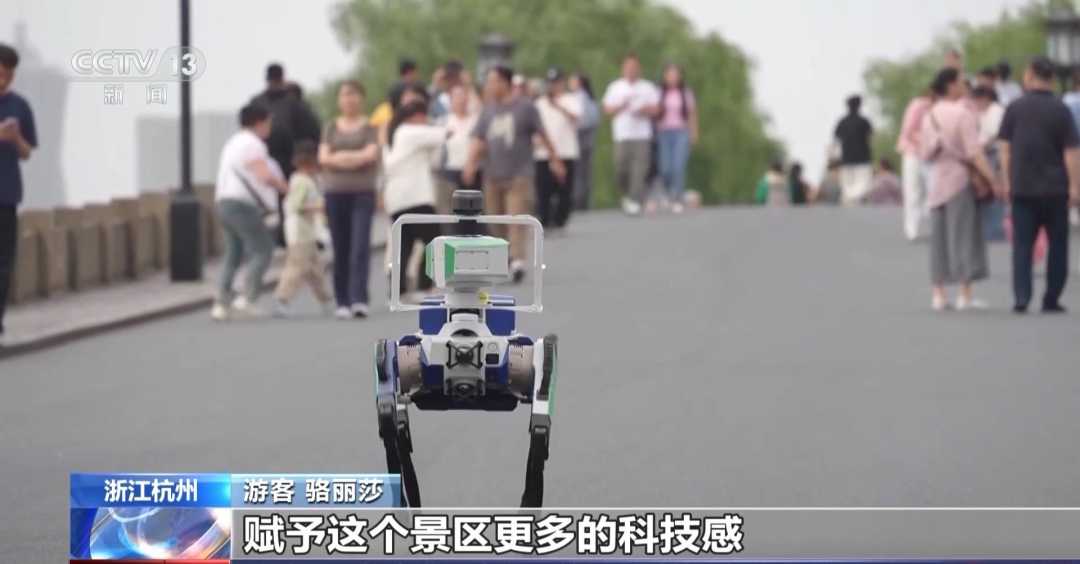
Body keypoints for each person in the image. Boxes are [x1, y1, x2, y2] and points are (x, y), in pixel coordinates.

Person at [463, 65, 565, 283]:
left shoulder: (525, 108)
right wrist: (470, 164)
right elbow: (479, 139)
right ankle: (507, 255)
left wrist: (555, 160)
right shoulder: (487, 110)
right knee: (495, 220)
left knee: (515, 217)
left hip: (519, 174)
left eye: (493, 82)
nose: (489, 86)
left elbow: (543, 134)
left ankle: (518, 259)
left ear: (504, 83)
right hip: (492, 175)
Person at [997, 56, 1080, 314]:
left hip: (1023, 186)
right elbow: (1071, 152)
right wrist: (1075, 186)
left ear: (1030, 75)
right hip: (1056, 188)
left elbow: (1005, 149)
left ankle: (1022, 296)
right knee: (1058, 245)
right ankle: (1051, 298)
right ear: (1052, 78)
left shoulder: (1014, 108)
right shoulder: (1061, 109)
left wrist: (1007, 181)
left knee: (1022, 245)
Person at [918, 67, 997, 312]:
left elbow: (924, 153)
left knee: (939, 239)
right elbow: (974, 152)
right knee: (964, 236)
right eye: (961, 82)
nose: (965, 86)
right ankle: (965, 294)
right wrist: (992, 179)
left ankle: (939, 294)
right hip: (960, 180)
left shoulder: (929, 115)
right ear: (951, 85)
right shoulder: (963, 114)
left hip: (937, 181)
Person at [212, 103, 288, 320]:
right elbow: (264, 175)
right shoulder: (253, 144)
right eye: (268, 122)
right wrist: (285, 188)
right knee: (263, 249)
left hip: (223, 201)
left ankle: (221, 303)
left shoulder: (233, 142)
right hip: (242, 204)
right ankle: (247, 298)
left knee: (233, 253)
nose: (270, 127)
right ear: (259, 122)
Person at [318, 80, 380, 319]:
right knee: (340, 247)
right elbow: (324, 158)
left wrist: (340, 158)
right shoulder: (331, 127)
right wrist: (354, 158)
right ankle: (342, 300)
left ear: (361, 98)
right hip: (335, 193)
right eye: (345, 95)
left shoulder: (369, 127)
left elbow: (370, 155)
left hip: (362, 192)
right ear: (339, 100)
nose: (349, 99)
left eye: (353, 94)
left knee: (359, 246)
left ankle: (359, 299)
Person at [250, 63, 322, 244]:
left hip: (276, 160)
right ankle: (283, 237)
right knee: (286, 201)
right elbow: (313, 130)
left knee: (278, 201)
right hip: (280, 160)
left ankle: (279, 237)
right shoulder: (294, 104)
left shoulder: (258, 102)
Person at [382, 100, 446, 297]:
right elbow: (443, 134)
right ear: (417, 116)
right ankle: (423, 286)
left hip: (396, 199)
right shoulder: (410, 131)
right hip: (416, 197)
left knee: (404, 245)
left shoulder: (393, 135)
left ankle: (398, 289)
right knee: (433, 241)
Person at [0, 43, 37, 344]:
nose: (4, 79)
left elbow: (27, 152)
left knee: (3, 266)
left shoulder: (20, 106)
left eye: (9, 74)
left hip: (7, 196)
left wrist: (15, 139)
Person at [272, 140, 332, 317]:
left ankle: (326, 299)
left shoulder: (302, 180)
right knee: (297, 266)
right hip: (300, 232)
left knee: (315, 269)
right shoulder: (302, 182)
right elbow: (296, 205)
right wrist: (319, 207)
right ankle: (282, 298)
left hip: (308, 232)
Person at [602, 53, 660, 215]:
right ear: (623, 69)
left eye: (634, 67)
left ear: (639, 69)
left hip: (642, 135)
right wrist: (621, 105)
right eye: (628, 67)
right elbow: (607, 109)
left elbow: (657, 109)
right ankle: (626, 195)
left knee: (640, 170)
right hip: (622, 135)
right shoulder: (615, 87)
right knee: (621, 167)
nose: (631, 70)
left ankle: (635, 199)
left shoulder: (647, 87)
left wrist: (643, 110)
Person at [533, 68, 582, 232]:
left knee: (564, 189)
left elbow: (577, 117)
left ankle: (561, 219)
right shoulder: (540, 103)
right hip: (543, 153)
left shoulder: (570, 100)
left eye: (556, 82)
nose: (553, 86)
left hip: (565, 151)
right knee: (544, 189)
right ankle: (545, 219)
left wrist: (558, 106)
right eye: (551, 83)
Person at [655, 63, 699, 214]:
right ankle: (668, 193)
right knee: (665, 168)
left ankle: (677, 197)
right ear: (665, 77)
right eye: (670, 75)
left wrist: (694, 133)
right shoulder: (659, 92)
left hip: (681, 132)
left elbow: (692, 113)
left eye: (676, 75)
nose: (673, 78)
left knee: (678, 166)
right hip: (663, 133)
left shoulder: (686, 93)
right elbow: (653, 112)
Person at [896, 89, 933, 240]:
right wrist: (925, 141)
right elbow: (908, 130)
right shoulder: (918, 105)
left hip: (930, 154)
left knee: (930, 190)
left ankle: (923, 219)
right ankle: (912, 228)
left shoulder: (939, 107)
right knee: (912, 189)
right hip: (913, 152)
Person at [972, 86, 1006, 242]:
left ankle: (996, 229)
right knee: (986, 192)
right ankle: (989, 229)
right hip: (984, 153)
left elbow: (996, 134)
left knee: (995, 190)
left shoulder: (996, 111)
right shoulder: (981, 112)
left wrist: (982, 146)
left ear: (985, 98)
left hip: (994, 153)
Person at [439, 83, 481, 196]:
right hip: (451, 172)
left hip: (474, 171)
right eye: (456, 96)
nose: (460, 100)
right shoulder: (444, 121)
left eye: (463, 96)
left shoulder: (476, 120)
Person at [832, 95, 874, 205]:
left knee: (847, 184)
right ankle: (856, 199)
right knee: (863, 182)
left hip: (846, 158)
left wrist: (834, 157)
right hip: (863, 157)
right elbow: (870, 138)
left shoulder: (842, 122)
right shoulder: (864, 121)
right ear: (859, 106)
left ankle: (850, 200)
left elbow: (836, 140)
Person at [569, 73, 599, 211]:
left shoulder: (578, 98)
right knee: (585, 172)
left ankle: (578, 201)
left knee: (578, 172)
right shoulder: (589, 98)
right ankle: (584, 200)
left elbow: (583, 120)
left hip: (579, 139)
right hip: (588, 139)